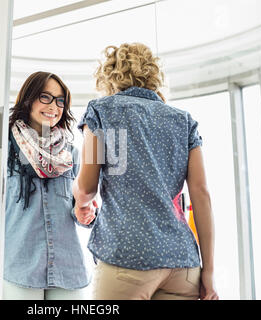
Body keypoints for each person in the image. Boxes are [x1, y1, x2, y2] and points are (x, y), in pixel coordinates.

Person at [73, 43, 219, 300]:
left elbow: (86, 187)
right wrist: (208, 272)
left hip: (126, 258)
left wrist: (80, 201)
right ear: (152, 76)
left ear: (109, 77)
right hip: (182, 262)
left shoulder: (102, 111)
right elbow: (201, 193)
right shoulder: (183, 120)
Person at [2, 71, 97, 299]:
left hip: (68, 267)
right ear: (28, 99)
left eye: (60, 100)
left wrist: (85, 212)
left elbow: (81, 208)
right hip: (19, 267)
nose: (54, 106)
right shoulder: (4, 150)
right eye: (45, 97)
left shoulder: (71, 154)